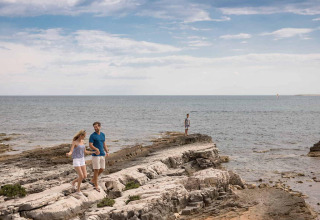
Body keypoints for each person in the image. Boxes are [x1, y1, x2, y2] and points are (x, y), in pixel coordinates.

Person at [66, 130, 97, 195]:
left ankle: (73, 182)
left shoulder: (83, 142)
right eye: (84, 136)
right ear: (80, 135)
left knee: (85, 176)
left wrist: (93, 152)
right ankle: (78, 190)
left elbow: (85, 152)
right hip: (76, 160)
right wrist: (69, 154)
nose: (84, 138)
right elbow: (71, 151)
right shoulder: (75, 142)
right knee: (81, 176)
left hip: (82, 159)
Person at [89, 122, 109, 192]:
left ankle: (93, 180)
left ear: (99, 127)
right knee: (96, 170)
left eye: (96, 127)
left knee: (102, 169)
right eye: (94, 127)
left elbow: (104, 144)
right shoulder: (92, 136)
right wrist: (96, 149)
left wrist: (107, 151)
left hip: (102, 154)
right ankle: (96, 185)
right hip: (96, 155)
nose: (95, 128)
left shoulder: (103, 134)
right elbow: (90, 145)